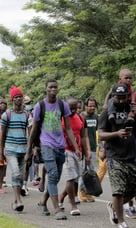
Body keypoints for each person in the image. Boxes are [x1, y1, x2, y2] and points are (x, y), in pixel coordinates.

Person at [26, 79, 80, 220]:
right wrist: (29, 150)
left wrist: (76, 147)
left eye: (55, 87)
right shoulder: (40, 106)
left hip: (60, 145)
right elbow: (34, 129)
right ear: (46, 89)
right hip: (46, 144)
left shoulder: (63, 105)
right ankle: (57, 209)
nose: (53, 89)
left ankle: (43, 202)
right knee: (53, 173)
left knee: (54, 178)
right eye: (50, 87)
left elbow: (68, 128)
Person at [98, 83, 136, 228]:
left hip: (130, 155)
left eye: (123, 97)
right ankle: (122, 222)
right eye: (118, 97)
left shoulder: (131, 110)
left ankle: (113, 206)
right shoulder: (106, 112)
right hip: (114, 156)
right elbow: (102, 135)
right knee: (118, 190)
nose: (121, 101)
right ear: (113, 96)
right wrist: (116, 134)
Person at [58, 97, 91, 216]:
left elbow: (84, 136)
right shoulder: (61, 118)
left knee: (76, 178)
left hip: (78, 152)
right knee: (71, 178)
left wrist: (87, 150)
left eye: (75, 108)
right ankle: (73, 205)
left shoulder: (81, 118)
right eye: (70, 108)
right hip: (66, 150)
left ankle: (60, 197)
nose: (72, 110)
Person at [0, 86, 29, 212]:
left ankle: (15, 201)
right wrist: (1, 151)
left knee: (21, 177)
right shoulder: (7, 115)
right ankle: (18, 200)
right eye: (16, 97)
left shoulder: (27, 115)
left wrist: (31, 148)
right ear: (12, 99)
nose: (18, 99)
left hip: (23, 149)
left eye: (20, 97)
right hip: (11, 149)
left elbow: (30, 132)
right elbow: (2, 134)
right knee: (16, 173)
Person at [78, 98, 99, 202]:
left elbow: (98, 131)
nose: (92, 108)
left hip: (93, 147)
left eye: (93, 106)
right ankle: (81, 191)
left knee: (90, 170)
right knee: (83, 170)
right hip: (83, 148)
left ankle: (87, 192)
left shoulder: (96, 117)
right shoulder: (81, 116)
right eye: (90, 106)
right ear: (85, 106)